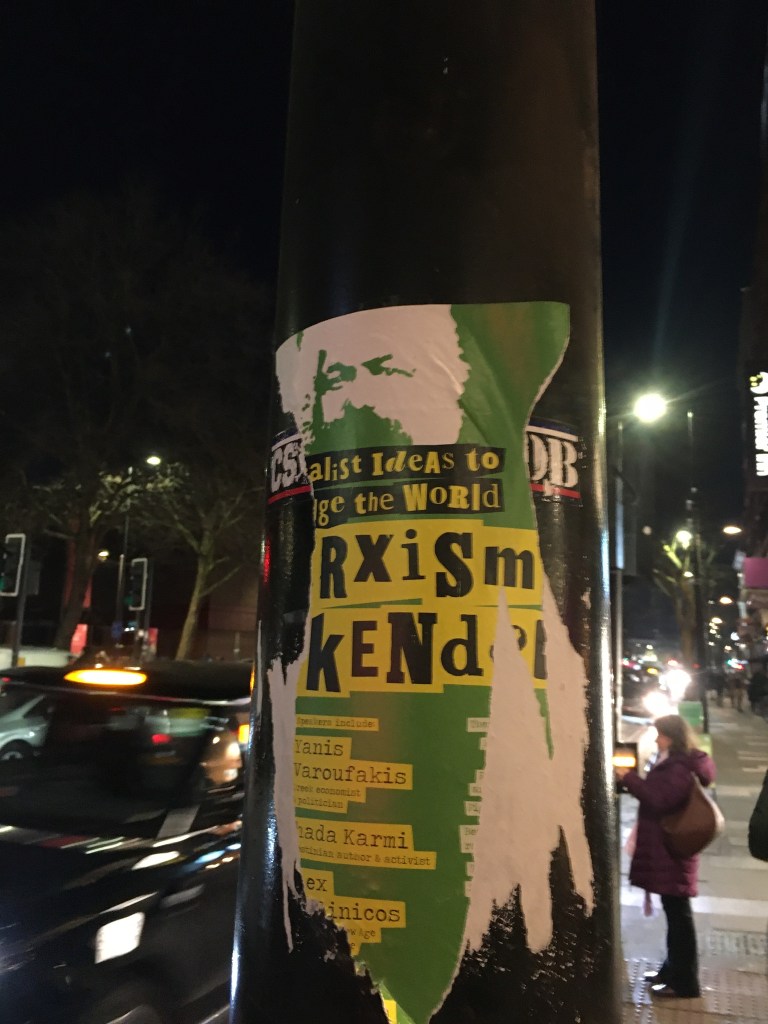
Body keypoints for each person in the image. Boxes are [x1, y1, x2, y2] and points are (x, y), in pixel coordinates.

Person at [615, 714, 716, 999]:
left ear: (671, 737)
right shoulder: (675, 762)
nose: (656, 739)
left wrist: (628, 778)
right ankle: (670, 971)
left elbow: (659, 798)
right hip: (669, 848)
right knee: (675, 914)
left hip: (672, 849)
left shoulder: (678, 767)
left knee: (679, 917)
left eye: (659, 735)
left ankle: (684, 983)